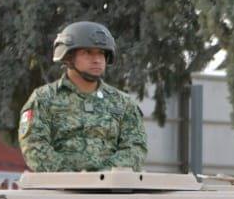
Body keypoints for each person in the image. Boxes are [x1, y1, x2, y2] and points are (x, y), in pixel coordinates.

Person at [19, 21, 147, 172]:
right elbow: (34, 146)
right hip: (59, 185)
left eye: (101, 53)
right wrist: (73, 176)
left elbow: (135, 147)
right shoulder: (43, 99)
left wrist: (103, 175)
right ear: (68, 57)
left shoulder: (123, 103)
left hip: (110, 185)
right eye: (87, 53)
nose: (97, 59)